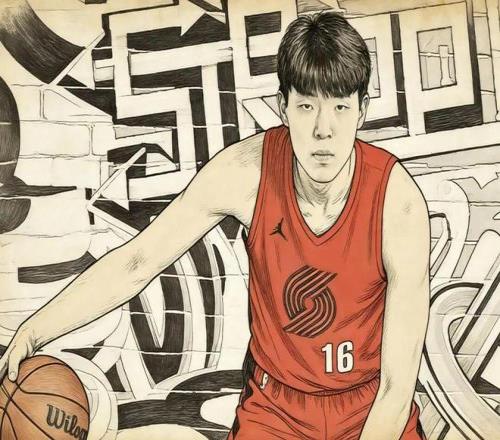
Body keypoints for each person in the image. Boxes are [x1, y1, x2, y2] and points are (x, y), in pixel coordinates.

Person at [0, 11, 430, 440]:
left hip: (371, 405)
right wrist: (35, 330)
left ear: (362, 110)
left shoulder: (398, 203)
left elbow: (396, 388)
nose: (323, 130)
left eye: (340, 107)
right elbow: (137, 262)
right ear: (283, 107)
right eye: (306, 106)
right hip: (276, 409)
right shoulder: (246, 172)